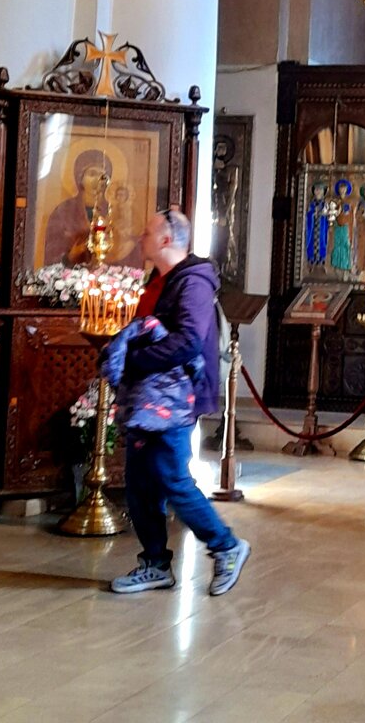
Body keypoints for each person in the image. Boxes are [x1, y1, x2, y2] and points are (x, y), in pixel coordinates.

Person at [109, 208, 250, 597]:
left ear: (166, 240)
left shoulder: (193, 283)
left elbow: (187, 341)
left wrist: (132, 360)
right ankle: (155, 564)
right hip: (147, 399)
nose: (141, 238)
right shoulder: (159, 280)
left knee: (172, 478)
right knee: (140, 483)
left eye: (147, 232)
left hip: (173, 401)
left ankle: (226, 545)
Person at [43, 150, 113, 266]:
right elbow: (52, 254)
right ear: (80, 178)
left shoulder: (112, 210)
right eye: (92, 174)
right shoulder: (64, 211)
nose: (97, 180)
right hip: (70, 274)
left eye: (103, 176)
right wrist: (71, 255)